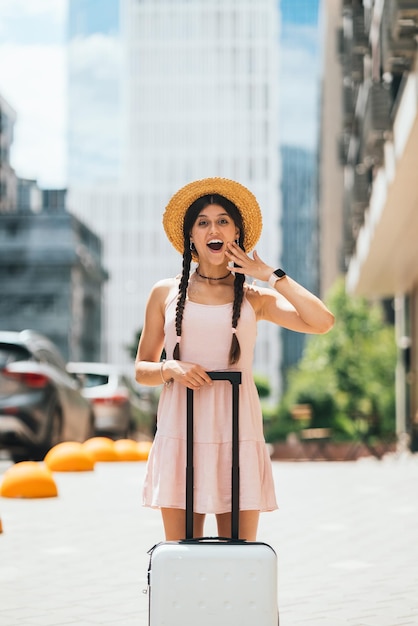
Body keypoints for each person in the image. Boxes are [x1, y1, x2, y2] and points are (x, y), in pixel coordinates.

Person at [135, 177, 334, 542]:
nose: (214, 228)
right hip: (181, 434)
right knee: (182, 557)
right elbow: (141, 371)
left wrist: (271, 276)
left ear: (237, 233)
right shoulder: (164, 293)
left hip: (238, 434)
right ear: (191, 237)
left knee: (240, 555)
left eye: (223, 220)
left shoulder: (255, 297)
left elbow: (322, 322)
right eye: (203, 222)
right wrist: (170, 368)